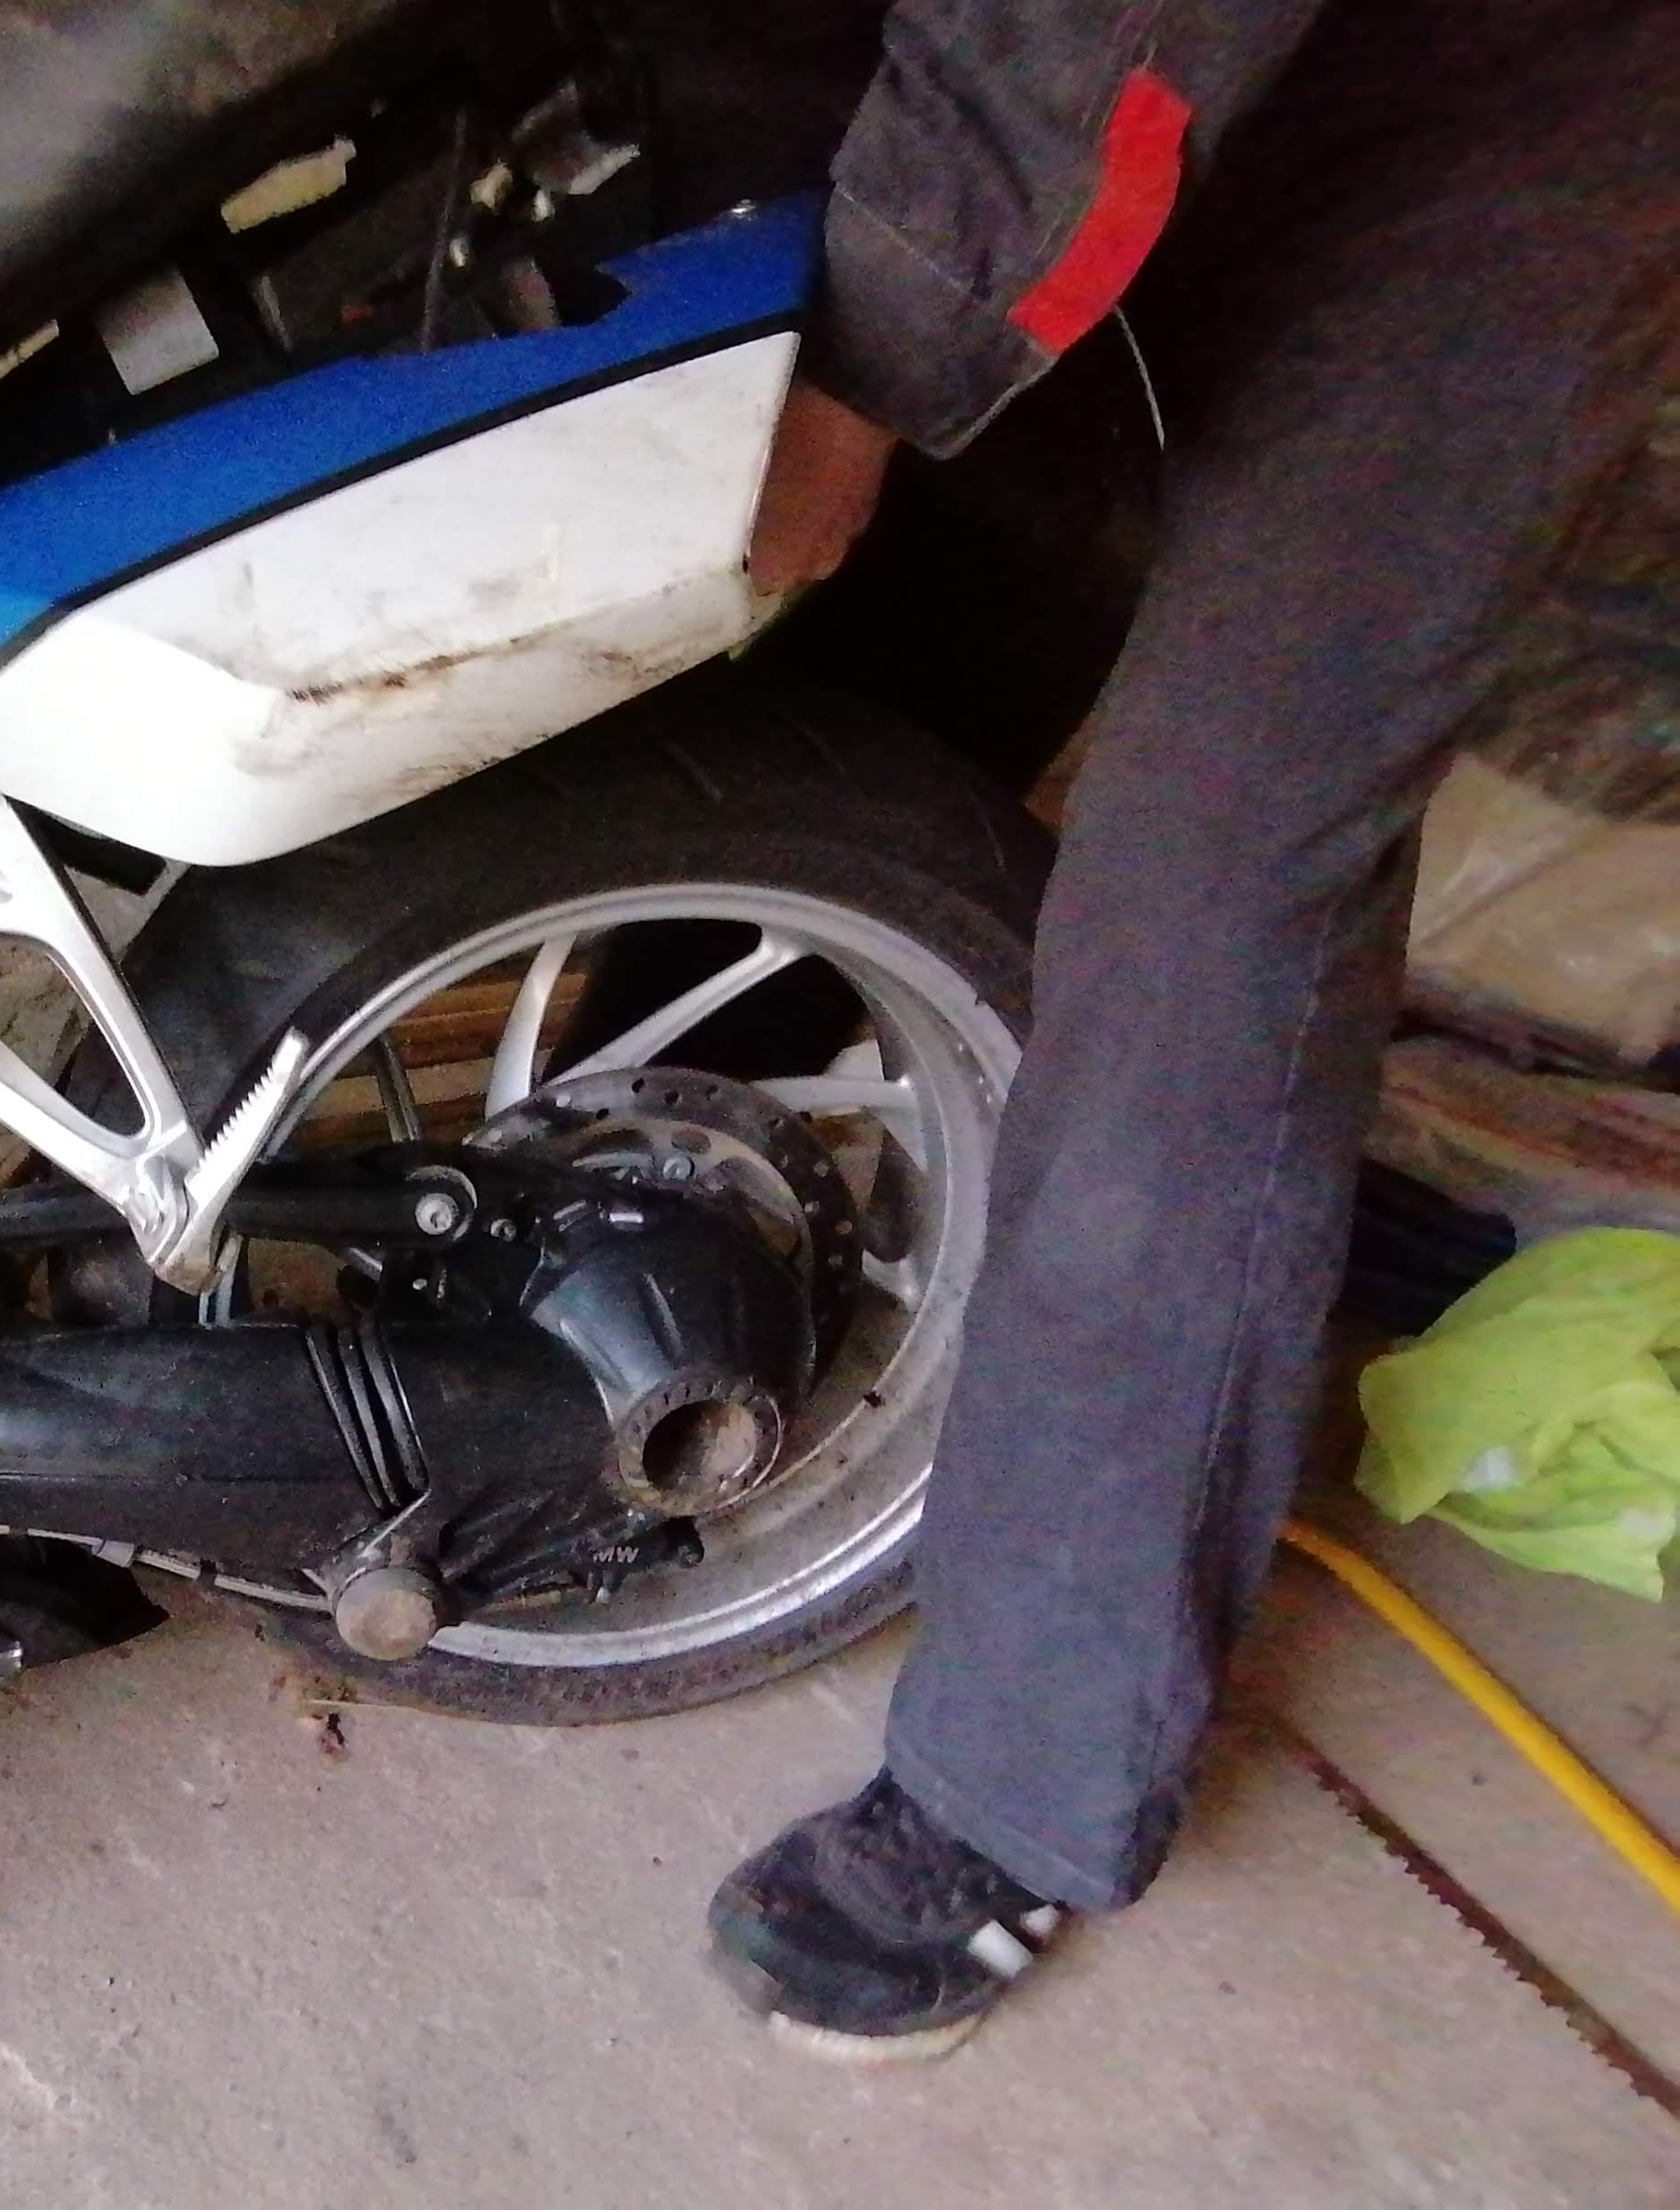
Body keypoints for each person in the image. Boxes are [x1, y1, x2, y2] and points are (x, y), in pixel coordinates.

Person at [710, 0, 1680, 2062]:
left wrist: (878, 352)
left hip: (1501, 115)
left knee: (1218, 879)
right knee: (822, 587)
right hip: (1011, 72)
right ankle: (703, 1210)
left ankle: (1025, 1770)